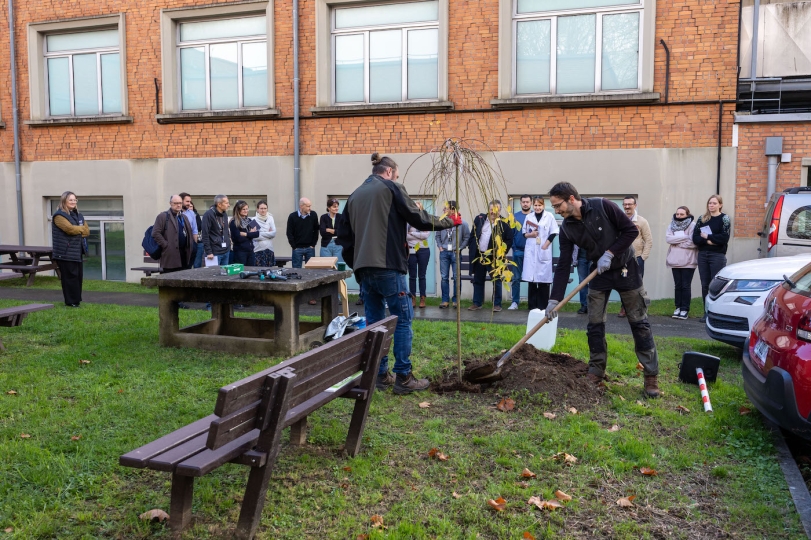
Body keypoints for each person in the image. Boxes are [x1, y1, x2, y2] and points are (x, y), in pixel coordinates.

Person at [336, 152, 458, 394]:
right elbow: (418, 217)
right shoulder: (391, 188)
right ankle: (403, 377)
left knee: (375, 323)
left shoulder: (354, 196)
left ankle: (380, 375)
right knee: (402, 320)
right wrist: (448, 221)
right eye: (397, 175)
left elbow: (344, 237)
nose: (397, 179)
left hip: (364, 270)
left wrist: (357, 264)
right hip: (389, 266)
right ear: (389, 171)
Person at [546, 182, 660, 398]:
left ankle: (651, 376)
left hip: (626, 268)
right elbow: (563, 264)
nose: (556, 210)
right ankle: (596, 371)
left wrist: (610, 253)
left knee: (639, 323)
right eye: (554, 207)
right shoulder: (567, 228)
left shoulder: (602, 206)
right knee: (595, 325)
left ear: (571, 199)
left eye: (558, 205)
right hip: (599, 273)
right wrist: (554, 299)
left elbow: (630, 231)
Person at [468, 200, 514, 312]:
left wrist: (501, 253)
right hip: (480, 255)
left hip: (494, 257)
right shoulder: (479, 219)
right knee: (478, 280)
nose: (493, 212)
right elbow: (473, 235)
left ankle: (497, 304)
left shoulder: (504, 223)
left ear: (500, 210)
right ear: (488, 210)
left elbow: (509, 240)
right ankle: (477, 303)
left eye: (496, 209)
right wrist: (471, 246)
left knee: (496, 281)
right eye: (491, 209)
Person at [692, 194, 730, 323]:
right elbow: (695, 238)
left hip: (717, 255)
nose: (711, 205)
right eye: (710, 203)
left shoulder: (724, 219)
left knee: (716, 285)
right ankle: (706, 312)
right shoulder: (702, 219)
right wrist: (708, 241)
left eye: (714, 203)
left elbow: (724, 238)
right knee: (705, 285)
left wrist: (708, 237)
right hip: (703, 254)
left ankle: (717, 313)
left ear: (720, 205)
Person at [51, 191, 89, 307]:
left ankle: (76, 300)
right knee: (69, 278)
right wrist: (79, 229)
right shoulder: (59, 216)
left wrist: (77, 229)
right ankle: (70, 301)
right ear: (64, 201)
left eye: (74, 200)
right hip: (65, 253)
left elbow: (87, 231)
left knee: (77, 277)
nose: (73, 202)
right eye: (70, 200)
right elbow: (70, 230)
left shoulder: (78, 215)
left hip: (77, 252)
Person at [520, 196, 558, 311]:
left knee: (543, 282)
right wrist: (531, 235)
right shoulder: (529, 217)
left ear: (543, 206)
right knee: (531, 282)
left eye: (539, 205)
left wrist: (546, 244)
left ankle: (543, 307)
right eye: (535, 205)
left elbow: (554, 232)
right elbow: (524, 233)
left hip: (543, 250)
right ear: (533, 206)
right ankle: (532, 307)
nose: (537, 207)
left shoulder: (549, 216)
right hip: (531, 251)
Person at [619, 196, 652, 318]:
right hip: (622, 260)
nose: (627, 207)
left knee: (637, 284)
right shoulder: (619, 219)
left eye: (630, 204)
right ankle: (624, 307)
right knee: (623, 283)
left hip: (637, 259)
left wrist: (643, 257)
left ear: (635, 205)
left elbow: (648, 240)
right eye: (625, 204)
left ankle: (637, 309)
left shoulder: (642, 221)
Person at [435, 200, 470, 308]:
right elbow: (437, 236)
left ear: (453, 210)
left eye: (446, 208)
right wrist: (440, 246)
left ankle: (456, 300)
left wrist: (460, 248)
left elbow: (467, 237)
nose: (444, 210)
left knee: (456, 277)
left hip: (456, 252)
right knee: (444, 277)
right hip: (444, 252)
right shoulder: (442, 222)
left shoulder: (462, 223)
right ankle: (445, 300)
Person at [666, 206, 698, 320]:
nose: (679, 216)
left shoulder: (693, 225)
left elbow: (693, 243)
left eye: (682, 214)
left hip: (688, 261)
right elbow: (668, 239)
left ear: (687, 215)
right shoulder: (671, 224)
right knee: (678, 285)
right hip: (674, 260)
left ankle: (684, 309)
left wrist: (677, 241)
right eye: (677, 214)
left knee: (685, 286)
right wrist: (685, 238)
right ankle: (678, 307)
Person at [152, 194, 195, 273]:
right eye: (175, 203)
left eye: (180, 203)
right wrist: (166, 245)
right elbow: (155, 233)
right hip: (170, 255)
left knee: (182, 277)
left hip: (184, 254)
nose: (178, 205)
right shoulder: (163, 216)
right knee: (169, 277)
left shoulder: (183, 217)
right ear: (170, 203)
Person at [509, 195, 532, 310]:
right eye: (523, 202)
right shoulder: (515, 217)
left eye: (527, 202)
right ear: (520, 203)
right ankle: (515, 302)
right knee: (516, 278)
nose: (525, 204)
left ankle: (532, 303)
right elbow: (511, 234)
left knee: (532, 279)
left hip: (532, 253)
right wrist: (515, 248)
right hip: (518, 251)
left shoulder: (534, 216)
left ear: (531, 203)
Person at [407, 203, 432, 308]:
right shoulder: (408, 220)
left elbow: (426, 235)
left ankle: (422, 298)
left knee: (422, 276)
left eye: (418, 207)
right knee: (412, 276)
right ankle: (412, 298)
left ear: (421, 209)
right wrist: (419, 236)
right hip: (411, 250)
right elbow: (405, 236)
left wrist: (412, 234)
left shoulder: (425, 220)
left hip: (423, 250)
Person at [286, 198, 319, 268]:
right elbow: (289, 232)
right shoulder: (292, 216)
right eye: (308, 206)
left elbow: (316, 230)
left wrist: (313, 244)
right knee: (296, 270)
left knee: (311, 270)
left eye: (310, 206)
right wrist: (294, 246)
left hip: (310, 248)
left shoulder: (313, 215)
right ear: (301, 206)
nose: (310, 208)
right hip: (297, 248)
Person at [201, 194, 231, 266]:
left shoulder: (224, 214)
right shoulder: (208, 215)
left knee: (224, 272)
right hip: (214, 252)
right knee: (213, 272)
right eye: (226, 203)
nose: (229, 205)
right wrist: (209, 252)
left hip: (226, 251)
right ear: (219, 204)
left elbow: (225, 231)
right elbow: (205, 234)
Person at [229, 200, 260, 266]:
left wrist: (246, 234)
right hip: (240, 252)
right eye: (243, 209)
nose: (246, 211)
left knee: (251, 270)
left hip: (251, 251)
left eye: (247, 209)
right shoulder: (234, 222)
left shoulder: (250, 220)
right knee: (241, 270)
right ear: (238, 210)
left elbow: (257, 234)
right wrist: (251, 234)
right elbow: (238, 239)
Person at [253, 200, 277, 267]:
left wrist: (261, 233)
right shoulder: (253, 220)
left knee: (269, 271)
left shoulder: (270, 218)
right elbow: (255, 236)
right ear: (257, 209)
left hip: (269, 249)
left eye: (265, 208)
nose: (263, 210)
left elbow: (273, 233)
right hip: (258, 250)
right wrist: (268, 234)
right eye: (261, 208)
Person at [179, 192, 199, 268]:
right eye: (187, 201)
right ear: (181, 201)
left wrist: (194, 244)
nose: (189, 203)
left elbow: (194, 229)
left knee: (188, 266)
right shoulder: (176, 213)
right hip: (179, 245)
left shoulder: (191, 213)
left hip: (189, 243)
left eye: (190, 201)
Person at [574, 245, 590, 314]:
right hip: (581, 257)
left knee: (593, 283)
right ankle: (584, 305)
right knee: (582, 283)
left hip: (593, 257)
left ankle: (592, 306)